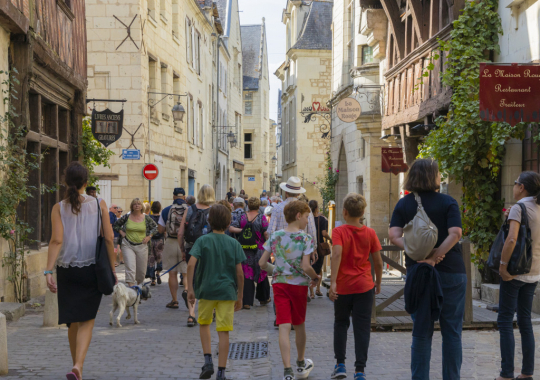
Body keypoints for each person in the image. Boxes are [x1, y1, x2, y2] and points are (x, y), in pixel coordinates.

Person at [388, 159, 464, 380]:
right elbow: (456, 233)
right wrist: (437, 255)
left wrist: (420, 255)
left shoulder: (404, 204)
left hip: (419, 272)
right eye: (439, 173)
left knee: (421, 332)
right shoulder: (448, 202)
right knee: (452, 332)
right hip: (451, 271)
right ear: (434, 177)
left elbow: (394, 236)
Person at [45, 162, 116, 380]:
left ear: (66, 183)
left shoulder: (58, 207)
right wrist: (113, 268)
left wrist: (48, 271)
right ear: (86, 183)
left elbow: (56, 240)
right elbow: (109, 239)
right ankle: (78, 365)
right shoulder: (99, 203)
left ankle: (77, 368)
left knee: (72, 320)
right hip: (92, 268)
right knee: (87, 320)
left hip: (67, 270)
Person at [259, 200, 320, 380]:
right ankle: (300, 363)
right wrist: (315, 277)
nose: (307, 221)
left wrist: (277, 271)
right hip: (299, 286)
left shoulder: (275, 236)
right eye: (307, 217)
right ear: (298, 215)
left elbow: (262, 263)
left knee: (284, 326)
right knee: (299, 324)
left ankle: (287, 370)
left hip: (280, 285)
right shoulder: (305, 238)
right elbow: (306, 266)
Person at [186, 204, 245, 380]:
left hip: (205, 290)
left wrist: (190, 288)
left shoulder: (202, 241)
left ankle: (207, 361)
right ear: (228, 223)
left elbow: (190, 265)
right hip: (227, 292)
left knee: (204, 324)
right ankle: (221, 371)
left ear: (209, 221)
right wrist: (240, 295)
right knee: (224, 330)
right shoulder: (234, 243)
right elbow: (240, 273)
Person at [329, 193, 383, 380]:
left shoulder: (338, 232)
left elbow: (336, 255)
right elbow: (378, 262)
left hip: (343, 287)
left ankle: (340, 364)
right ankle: (360, 370)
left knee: (340, 323)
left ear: (344, 212)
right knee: (362, 328)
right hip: (364, 286)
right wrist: (378, 283)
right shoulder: (370, 233)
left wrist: (333, 282)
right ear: (362, 212)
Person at [495, 171, 540, 380]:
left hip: (515, 272)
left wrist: (503, 267)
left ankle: (506, 375)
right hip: (534, 272)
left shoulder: (519, 208)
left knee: (505, 320)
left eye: (514, 183)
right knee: (525, 321)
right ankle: (527, 373)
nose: (513, 187)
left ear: (521, 187)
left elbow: (511, 240)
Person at [178, 184, 216, 327]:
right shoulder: (214, 211)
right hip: (209, 250)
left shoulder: (189, 209)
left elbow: (181, 233)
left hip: (191, 249)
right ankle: (210, 311)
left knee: (191, 281)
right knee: (208, 279)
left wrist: (182, 250)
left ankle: (191, 315)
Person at [229, 197, 270, 309]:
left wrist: (243, 231)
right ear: (258, 207)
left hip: (244, 249)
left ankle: (246, 302)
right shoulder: (261, 218)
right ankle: (263, 298)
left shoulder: (243, 217)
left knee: (247, 273)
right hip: (259, 249)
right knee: (261, 272)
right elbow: (266, 233)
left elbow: (231, 228)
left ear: (248, 206)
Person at [114, 198, 158, 286]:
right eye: (135, 204)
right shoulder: (127, 217)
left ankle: (139, 289)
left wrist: (149, 236)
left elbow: (155, 227)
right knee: (130, 268)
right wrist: (121, 232)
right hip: (127, 245)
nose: (137, 205)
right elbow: (116, 225)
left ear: (142, 206)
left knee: (141, 272)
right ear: (132, 206)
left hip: (142, 246)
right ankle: (132, 291)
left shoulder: (146, 218)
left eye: (138, 204)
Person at [157, 188, 188, 308]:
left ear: (173, 196)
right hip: (185, 243)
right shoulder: (190, 210)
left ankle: (174, 300)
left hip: (170, 242)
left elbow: (160, 230)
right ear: (184, 197)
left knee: (172, 273)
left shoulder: (166, 210)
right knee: (186, 273)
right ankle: (186, 290)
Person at [308, 200, 331, 299]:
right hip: (319, 246)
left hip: (308, 246)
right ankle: (318, 289)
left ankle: (311, 292)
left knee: (309, 267)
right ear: (317, 208)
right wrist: (330, 239)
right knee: (319, 268)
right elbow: (324, 233)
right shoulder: (322, 219)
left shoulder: (307, 218)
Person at [146, 201, 164, 286]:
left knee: (151, 259)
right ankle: (158, 272)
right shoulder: (162, 217)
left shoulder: (149, 217)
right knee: (159, 257)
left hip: (150, 240)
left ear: (152, 209)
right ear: (160, 209)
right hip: (160, 240)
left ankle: (152, 279)